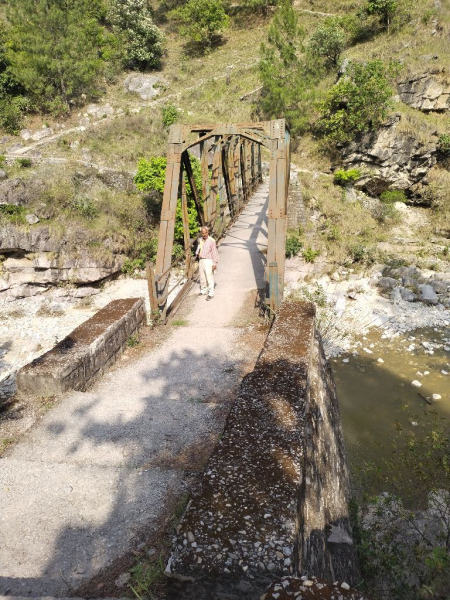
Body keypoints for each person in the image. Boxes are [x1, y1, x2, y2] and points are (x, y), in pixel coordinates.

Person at [195, 226, 219, 301]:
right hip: (201, 260)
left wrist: (214, 263)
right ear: (201, 233)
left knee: (209, 277)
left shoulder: (211, 241)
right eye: (203, 233)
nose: (205, 234)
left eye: (206, 232)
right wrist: (197, 253)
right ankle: (203, 291)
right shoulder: (200, 240)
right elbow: (198, 249)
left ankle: (211, 293)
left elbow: (214, 252)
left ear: (208, 232)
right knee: (202, 277)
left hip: (208, 260)